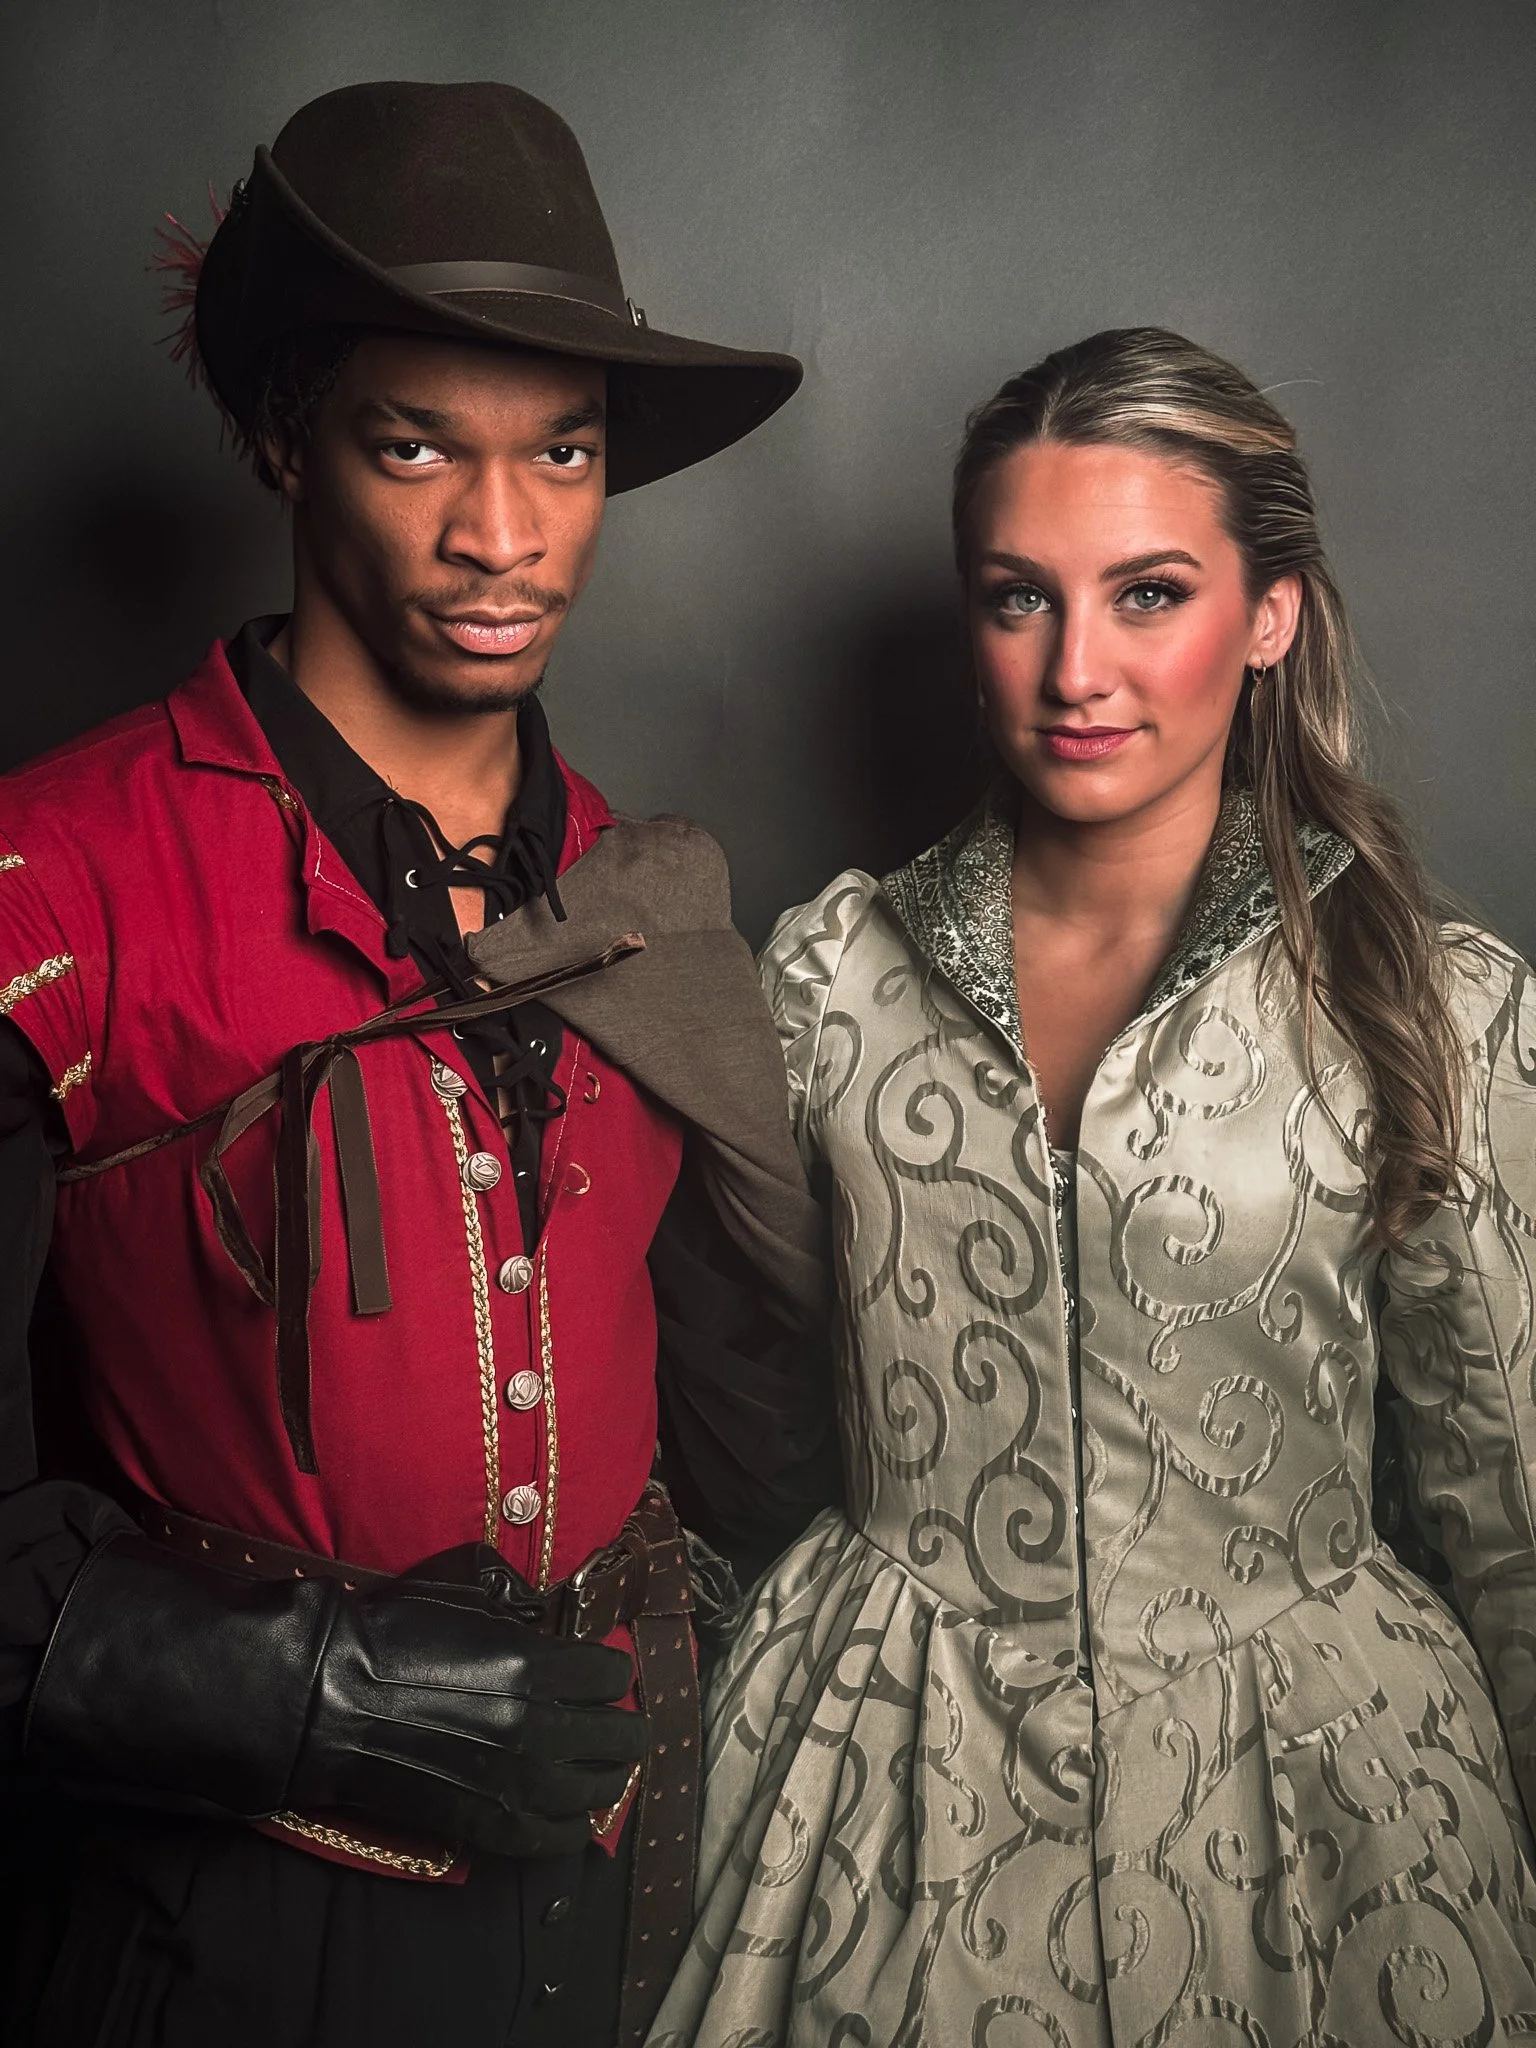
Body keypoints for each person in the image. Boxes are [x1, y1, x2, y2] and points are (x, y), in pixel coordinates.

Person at [0, 80, 840, 2048]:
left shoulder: (658, 908)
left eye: (562, 450)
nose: (504, 534)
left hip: (596, 1916)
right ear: (286, 438)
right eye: (416, 446)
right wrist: (319, 1689)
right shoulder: (59, 881)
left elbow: (751, 1462)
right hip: (203, 1935)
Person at [650, 327, 1536, 2045]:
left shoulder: (1432, 1004)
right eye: (1016, 597)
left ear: (1267, 617)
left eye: (1147, 593)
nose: (1075, 669)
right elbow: (735, 1413)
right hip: (873, 1780)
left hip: (1324, 1802)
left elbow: (1511, 1499)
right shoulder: (829, 974)